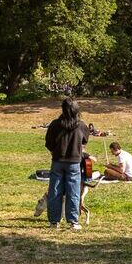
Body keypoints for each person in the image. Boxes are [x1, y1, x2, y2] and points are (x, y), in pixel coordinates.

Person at [43, 98, 86, 229]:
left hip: (57, 161)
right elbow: (84, 141)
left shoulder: (55, 124)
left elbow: (48, 143)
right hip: (74, 162)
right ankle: (73, 221)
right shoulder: (81, 125)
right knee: (73, 191)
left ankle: (54, 221)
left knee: (55, 190)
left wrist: (54, 152)